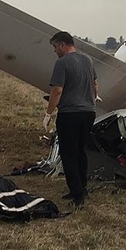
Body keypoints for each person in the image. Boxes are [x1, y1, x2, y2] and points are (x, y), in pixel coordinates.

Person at [44, 31, 98, 207]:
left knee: (69, 154)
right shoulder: (88, 60)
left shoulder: (61, 63)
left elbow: (57, 90)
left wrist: (48, 113)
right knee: (81, 152)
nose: (54, 51)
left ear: (62, 45)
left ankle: (77, 196)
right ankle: (82, 188)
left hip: (70, 114)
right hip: (89, 112)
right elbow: (95, 84)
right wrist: (92, 98)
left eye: (55, 47)